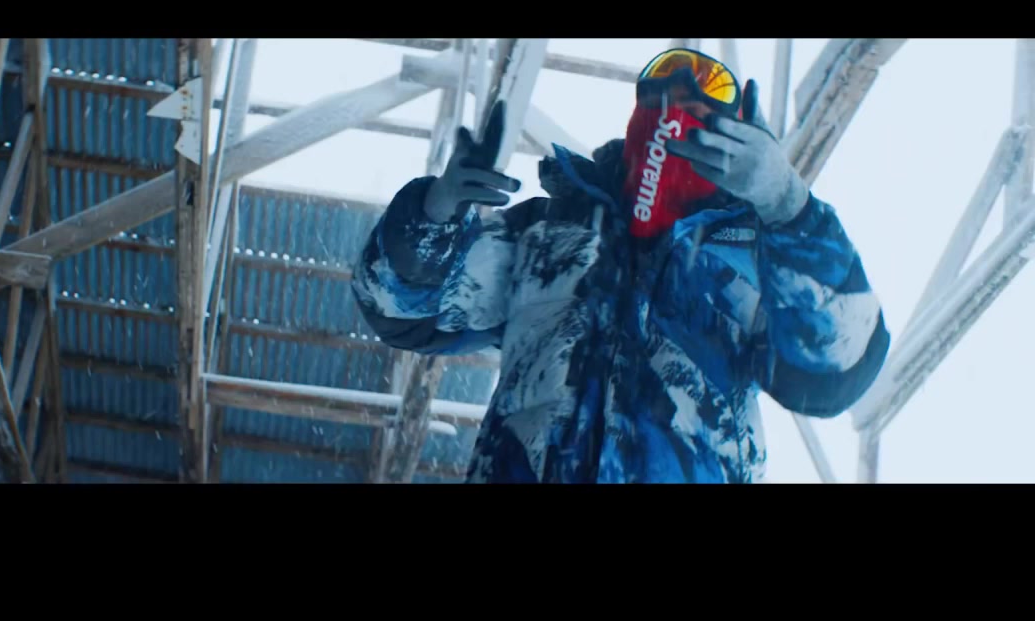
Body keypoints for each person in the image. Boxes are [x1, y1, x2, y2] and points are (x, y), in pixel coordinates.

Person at [349, 46, 891, 483]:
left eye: (706, 92)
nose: (682, 93)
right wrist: (434, 213)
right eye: (665, 79)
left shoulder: (758, 263)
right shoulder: (544, 232)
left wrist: (789, 207)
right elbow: (399, 306)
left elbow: (834, 370)